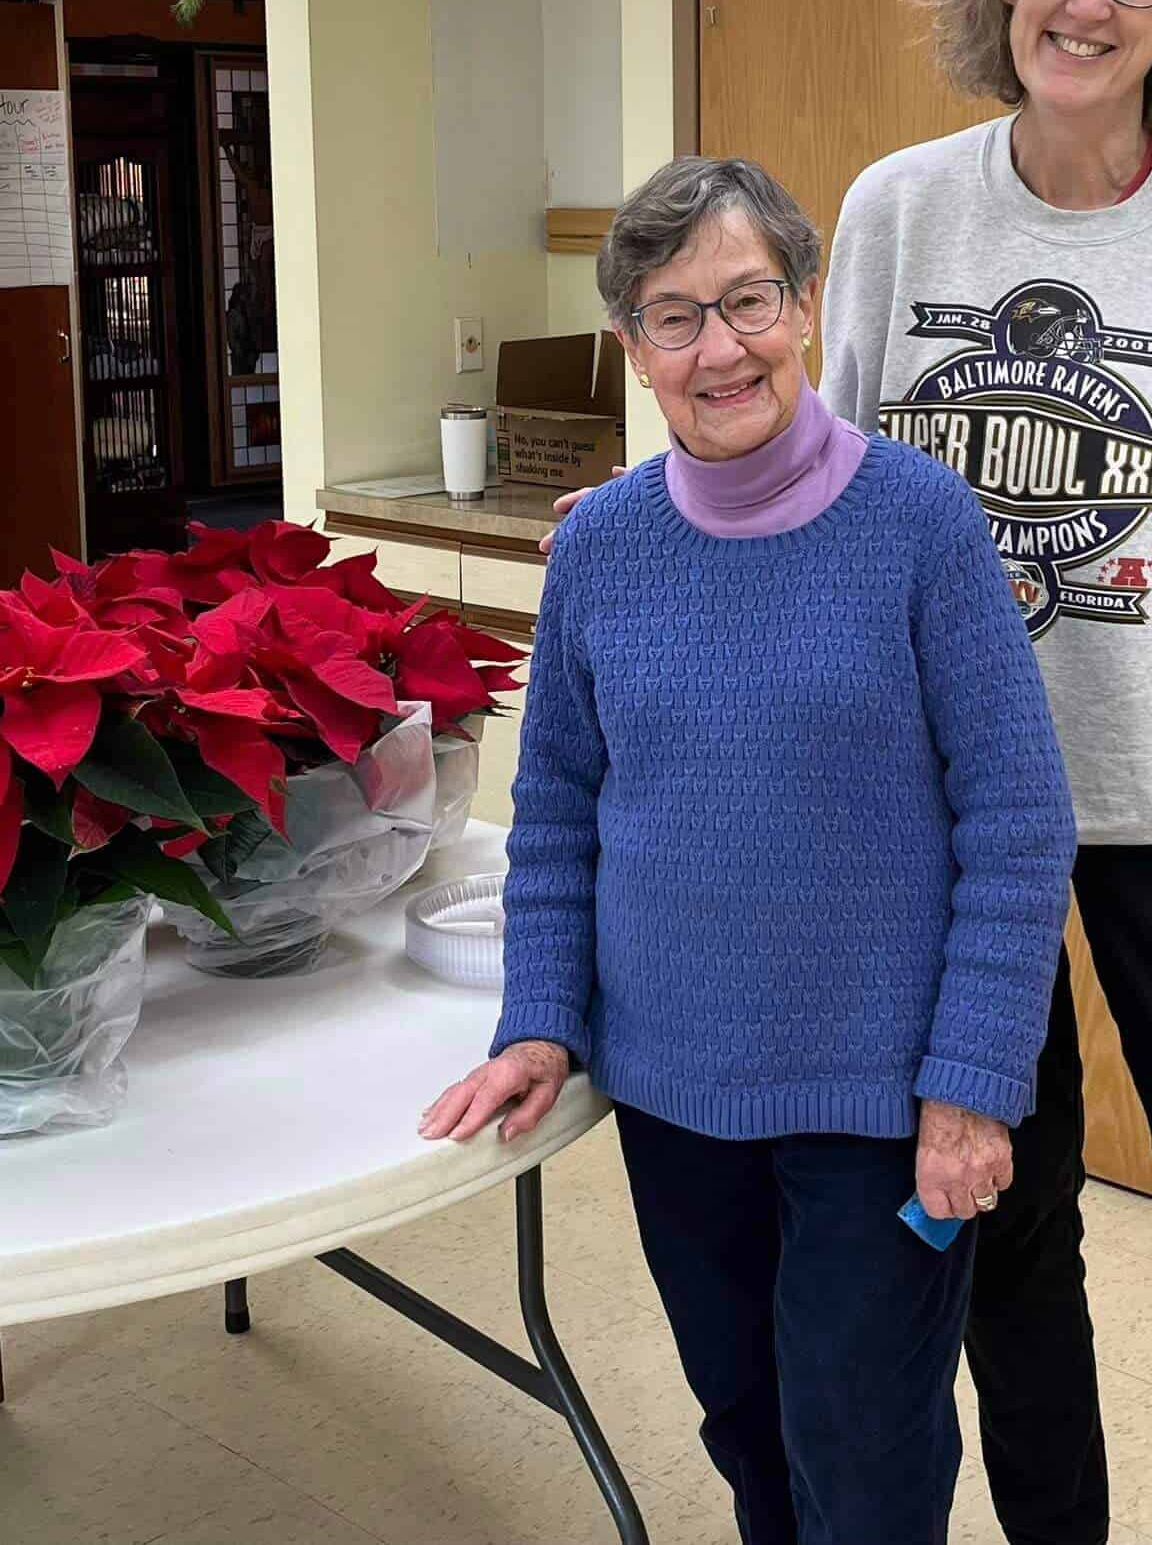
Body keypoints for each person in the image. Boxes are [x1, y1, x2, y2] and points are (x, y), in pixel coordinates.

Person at [549, 0, 1152, 1545]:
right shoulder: (905, 204)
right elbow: (800, 451)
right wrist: (647, 515)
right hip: (931, 810)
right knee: (1012, 1226)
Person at [422, 155, 1077, 1544]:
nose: (721, 347)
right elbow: (556, 814)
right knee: (747, 1432)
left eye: (749, 300)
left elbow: (1019, 824)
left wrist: (973, 1090)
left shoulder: (919, 523)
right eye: (675, 316)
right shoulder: (599, 546)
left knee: (867, 1454)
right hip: (674, 1094)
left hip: (877, 1105)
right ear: (632, 351)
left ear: (805, 306)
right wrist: (540, 1020)